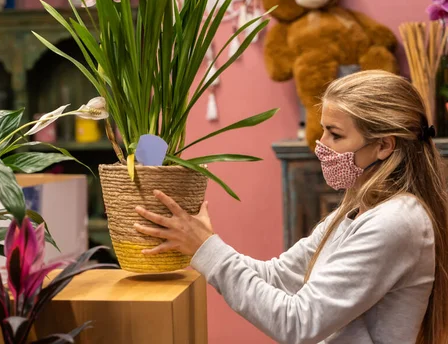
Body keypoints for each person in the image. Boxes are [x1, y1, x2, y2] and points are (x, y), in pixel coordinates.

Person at [133, 70, 448, 344]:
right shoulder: (353, 212)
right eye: (323, 128)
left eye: (335, 134)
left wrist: (207, 249)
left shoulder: (396, 222)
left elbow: (298, 323)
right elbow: (278, 275)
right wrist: (200, 241)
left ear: (383, 145)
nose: (320, 143)